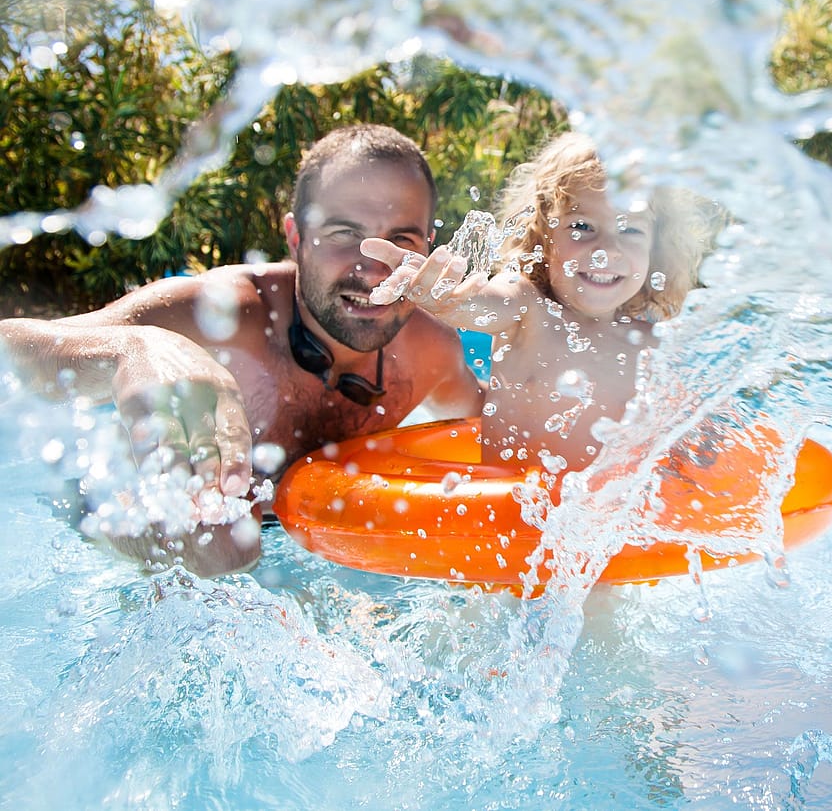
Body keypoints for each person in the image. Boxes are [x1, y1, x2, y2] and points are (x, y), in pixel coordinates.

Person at [0, 124, 483, 575]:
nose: (375, 268)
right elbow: (13, 347)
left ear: (428, 245)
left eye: (400, 239)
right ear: (296, 238)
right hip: (106, 539)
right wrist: (134, 350)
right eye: (345, 234)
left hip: (298, 558)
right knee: (222, 544)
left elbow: (502, 427)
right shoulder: (219, 315)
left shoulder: (432, 349)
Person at [362, 131, 717, 474]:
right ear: (544, 235)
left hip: (599, 526)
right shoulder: (528, 307)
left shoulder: (653, 346)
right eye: (582, 226)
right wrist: (447, 299)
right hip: (509, 521)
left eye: (630, 230)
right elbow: (485, 303)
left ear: (656, 249)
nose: (607, 249)